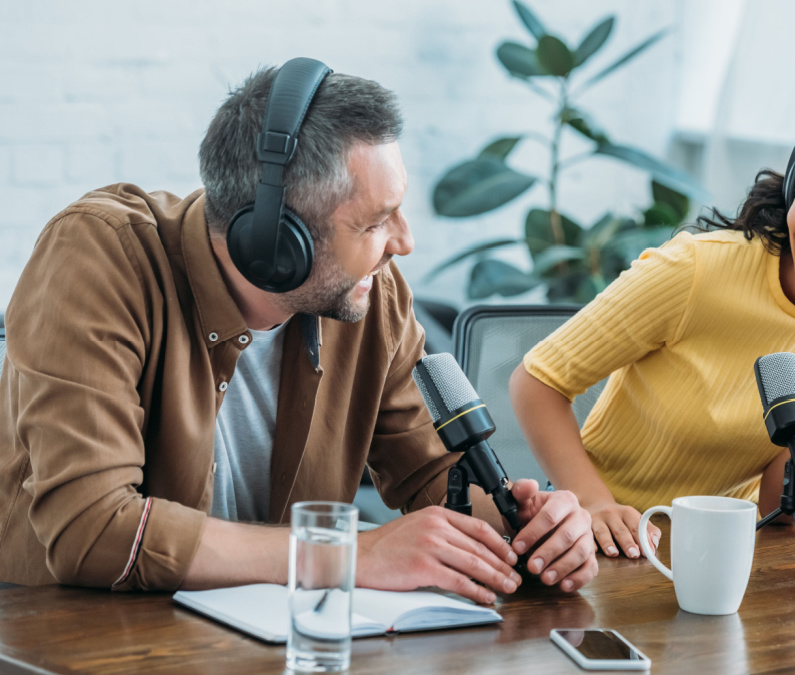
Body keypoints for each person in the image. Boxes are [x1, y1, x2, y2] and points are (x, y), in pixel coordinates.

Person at [0, 59, 597, 601]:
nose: (405, 243)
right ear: (275, 245)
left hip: (276, 639)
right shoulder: (99, 256)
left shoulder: (371, 295)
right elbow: (91, 530)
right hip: (75, 637)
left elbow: (438, 481)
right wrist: (349, 554)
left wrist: (532, 530)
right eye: (375, 223)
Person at [510, 90, 795, 560]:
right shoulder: (694, 273)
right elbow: (538, 380)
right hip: (603, 543)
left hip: (725, 551)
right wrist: (594, 504)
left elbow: (779, 508)